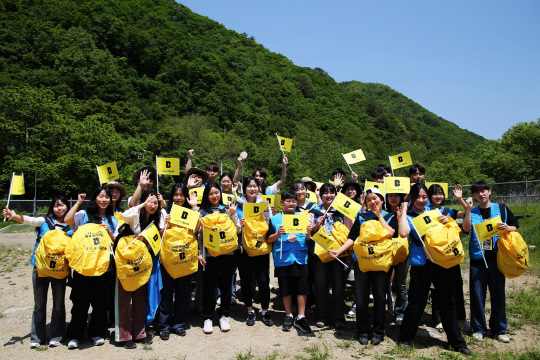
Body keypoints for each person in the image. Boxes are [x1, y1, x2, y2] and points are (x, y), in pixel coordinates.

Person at [397, 184, 471, 355]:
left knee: (448, 302)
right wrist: (404, 209)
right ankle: (406, 338)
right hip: (421, 264)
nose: (421, 200)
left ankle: (457, 342)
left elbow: (453, 231)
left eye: (424, 197)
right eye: (418, 197)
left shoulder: (435, 213)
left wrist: (447, 222)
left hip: (441, 262)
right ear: (412, 198)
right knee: (416, 302)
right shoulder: (408, 216)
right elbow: (403, 233)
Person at [3, 197, 74, 348]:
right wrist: (13, 216)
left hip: (60, 270)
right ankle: (37, 338)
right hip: (40, 268)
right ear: (51, 208)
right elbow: (29, 220)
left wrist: (70, 274)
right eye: (56, 206)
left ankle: (56, 335)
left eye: (62, 205)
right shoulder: (44, 221)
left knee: (59, 304)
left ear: (68, 207)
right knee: (39, 305)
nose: (59, 209)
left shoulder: (72, 226)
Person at [330, 188, 397, 345]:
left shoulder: (391, 216)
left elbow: (391, 233)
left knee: (380, 297)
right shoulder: (361, 217)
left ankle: (379, 331)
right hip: (362, 263)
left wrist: (379, 215)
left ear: (381, 200)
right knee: (361, 298)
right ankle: (363, 330)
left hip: (381, 263)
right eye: (369, 200)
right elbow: (352, 238)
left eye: (375, 199)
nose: (372, 202)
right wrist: (339, 251)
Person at [462, 181, 519, 343]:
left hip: (497, 258)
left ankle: (499, 329)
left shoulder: (501, 209)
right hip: (478, 259)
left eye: (484, 191)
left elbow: (515, 226)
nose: (481, 194)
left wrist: (507, 227)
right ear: (474, 195)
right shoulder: (472, 212)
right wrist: (467, 210)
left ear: (490, 191)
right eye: (477, 192)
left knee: (498, 294)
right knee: (477, 295)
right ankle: (479, 328)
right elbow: (466, 230)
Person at [64, 186, 119, 349]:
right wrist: (78, 202)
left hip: (103, 268)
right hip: (83, 267)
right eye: (101, 196)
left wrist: (109, 231)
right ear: (95, 198)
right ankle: (75, 335)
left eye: (107, 197)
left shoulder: (113, 219)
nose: (104, 200)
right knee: (80, 303)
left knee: (100, 303)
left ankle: (97, 332)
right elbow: (68, 220)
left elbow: (116, 242)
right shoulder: (83, 215)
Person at [116, 192, 165, 349]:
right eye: (149, 202)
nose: (152, 205)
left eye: (155, 202)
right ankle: (124, 336)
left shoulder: (155, 220)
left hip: (142, 263)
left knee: (139, 299)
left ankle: (139, 332)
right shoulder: (134, 216)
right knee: (124, 299)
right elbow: (124, 215)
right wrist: (142, 205)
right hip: (126, 263)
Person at [266, 191, 313, 333]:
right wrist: (278, 233)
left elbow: (307, 239)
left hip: (300, 258)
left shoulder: (302, 218)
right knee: (285, 288)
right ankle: (288, 315)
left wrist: (309, 232)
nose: (291, 203)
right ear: (281, 203)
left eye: (294, 201)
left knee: (302, 288)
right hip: (283, 258)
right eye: (288, 201)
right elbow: (269, 239)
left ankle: (301, 317)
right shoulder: (274, 219)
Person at [157, 183, 199, 340]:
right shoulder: (164, 211)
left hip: (185, 260)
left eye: (182, 194)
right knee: (166, 294)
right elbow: (159, 234)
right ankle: (164, 326)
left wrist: (194, 207)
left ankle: (179, 324)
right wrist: (165, 225)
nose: (179, 197)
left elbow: (197, 229)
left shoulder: (190, 211)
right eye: (176, 194)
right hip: (168, 261)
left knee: (183, 294)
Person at [198, 183, 241, 334]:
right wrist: (200, 254)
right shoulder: (202, 212)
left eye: (217, 193)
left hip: (228, 254)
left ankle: (223, 315)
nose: (214, 196)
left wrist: (234, 214)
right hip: (209, 256)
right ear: (206, 196)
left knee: (226, 286)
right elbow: (199, 236)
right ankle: (208, 317)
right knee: (209, 287)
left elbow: (238, 229)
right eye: (211, 194)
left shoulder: (227, 209)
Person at [427, 184, 471, 332]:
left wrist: (460, 199)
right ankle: (438, 318)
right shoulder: (425, 212)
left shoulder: (448, 211)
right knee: (436, 289)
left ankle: (461, 318)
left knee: (456, 286)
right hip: (435, 255)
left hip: (451, 253)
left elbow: (467, 213)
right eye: (435, 194)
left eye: (440, 194)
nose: (438, 196)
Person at [235, 177, 273, 327]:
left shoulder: (264, 204)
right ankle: (250, 309)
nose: (252, 189)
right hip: (243, 248)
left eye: (255, 186)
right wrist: (239, 222)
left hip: (261, 247)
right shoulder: (238, 204)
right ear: (244, 188)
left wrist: (268, 214)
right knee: (245, 279)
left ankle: (264, 310)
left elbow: (269, 223)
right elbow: (233, 225)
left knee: (263, 280)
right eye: (249, 186)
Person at [309, 183, 346, 329]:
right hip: (320, 254)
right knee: (321, 286)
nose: (329, 195)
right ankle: (322, 316)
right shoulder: (314, 211)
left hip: (338, 254)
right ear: (321, 195)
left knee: (338, 287)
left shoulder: (342, 211)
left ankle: (338, 317)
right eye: (325, 192)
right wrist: (317, 225)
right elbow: (310, 232)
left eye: (332, 192)